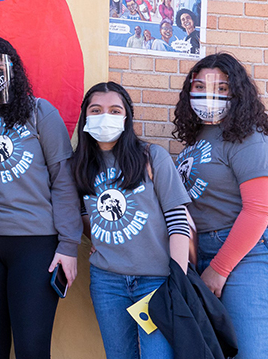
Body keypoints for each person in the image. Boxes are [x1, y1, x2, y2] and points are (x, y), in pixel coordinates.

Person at [0, 36, 82, 359]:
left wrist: (68, 245)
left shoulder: (39, 113)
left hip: (36, 246)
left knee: (32, 349)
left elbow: (63, 181)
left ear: (13, 72)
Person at [172, 53, 268, 359]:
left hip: (250, 257)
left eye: (221, 88)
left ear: (237, 92)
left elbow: (258, 211)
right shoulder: (199, 138)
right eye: (199, 86)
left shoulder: (251, 139)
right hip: (204, 256)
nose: (208, 94)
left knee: (250, 354)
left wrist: (219, 269)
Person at [73, 82, 191, 359]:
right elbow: (80, 214)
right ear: (85, 117)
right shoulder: (78, 166)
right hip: (107, 282)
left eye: (115, 110)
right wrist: (99, 238)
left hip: (156, 283)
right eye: (96, 110)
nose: (106, 116)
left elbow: (178, 221)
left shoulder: (152, 157)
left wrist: (178, 280)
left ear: (127, 117)